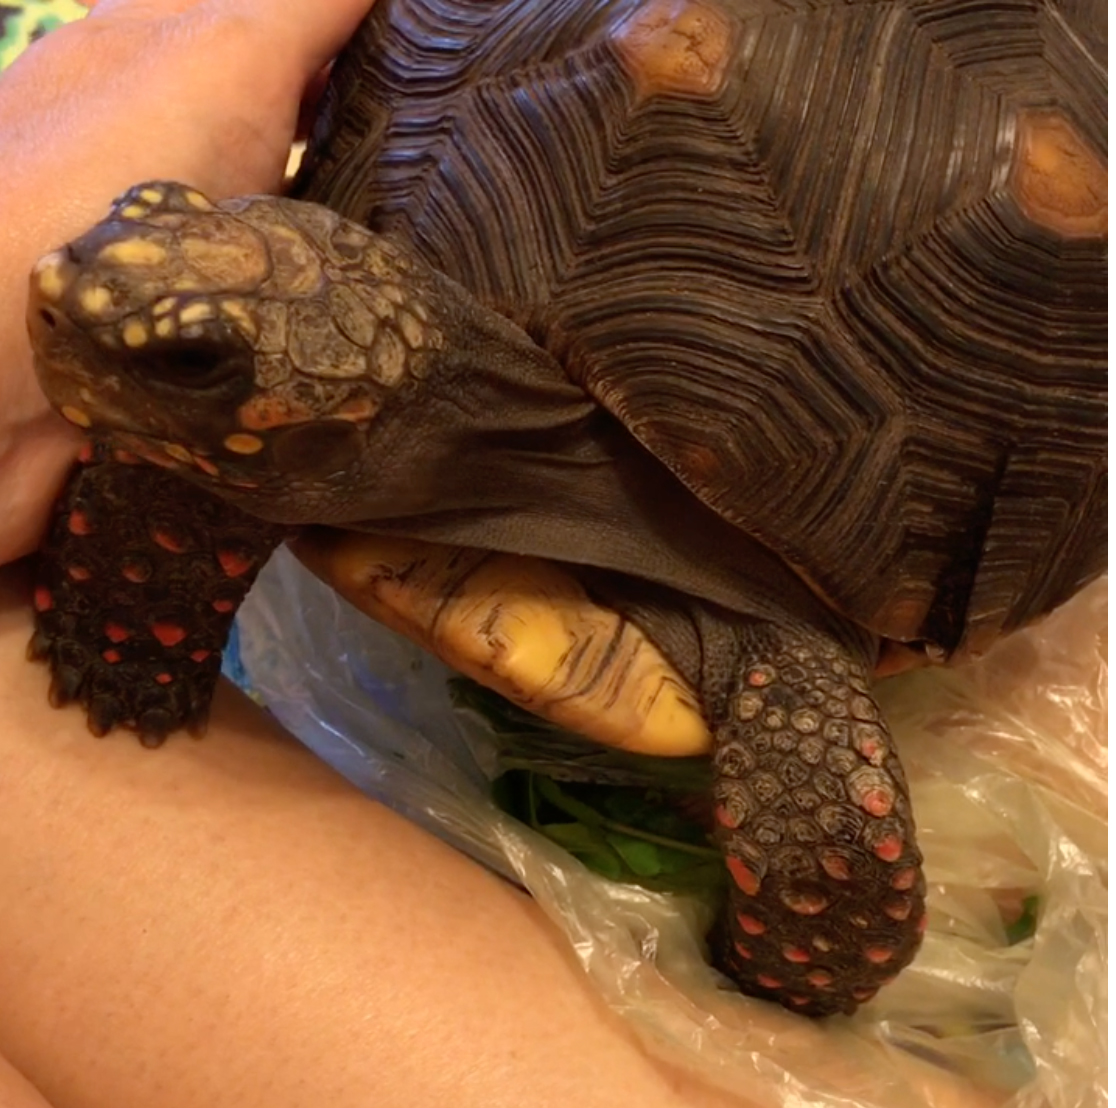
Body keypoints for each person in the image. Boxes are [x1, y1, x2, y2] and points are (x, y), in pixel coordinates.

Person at [0, 4, 1005, 1106]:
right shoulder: (302, 400)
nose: (50, 293)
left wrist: (803, 952)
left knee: (818, 814)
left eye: (197, 356)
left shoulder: (762, 588)